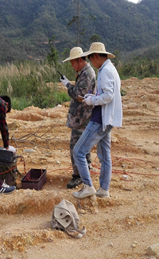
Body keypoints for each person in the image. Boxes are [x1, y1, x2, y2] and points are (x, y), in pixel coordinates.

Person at [71, 42, 123, 199]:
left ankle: (87, 185)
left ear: (95, 57)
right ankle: (104, 190)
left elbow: (108, 96)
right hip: (107, 118)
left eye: (91, 59)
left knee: (79, 151)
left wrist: (91, 100)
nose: (91, 62)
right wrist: (92, 97)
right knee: (105, 155)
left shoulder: (105, 71)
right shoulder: (109, 69)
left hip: (100, 118)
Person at [60, 47, 96, 189]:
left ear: (80, 60)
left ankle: (78, 175)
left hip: (82, 118)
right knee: (83, 145)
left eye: (72, 62)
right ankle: (86, 168)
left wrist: (67, 85)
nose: (71, 65)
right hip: (83, 116)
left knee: (75, 146)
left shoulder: (86, 74)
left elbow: (79, 95)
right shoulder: (83, 72)